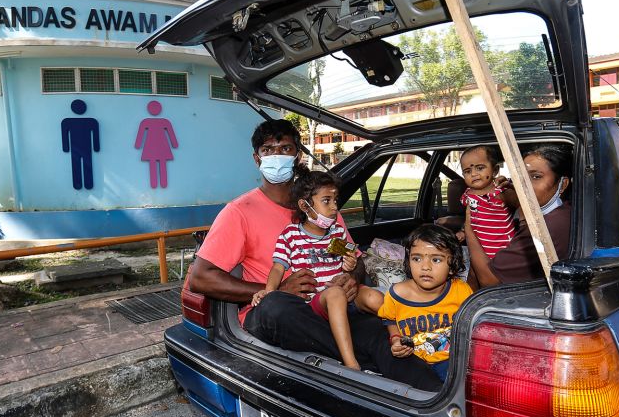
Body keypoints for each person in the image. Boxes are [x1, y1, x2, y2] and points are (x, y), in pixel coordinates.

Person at [189, 119, 442, 391]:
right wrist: (276, 289)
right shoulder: (239, 212)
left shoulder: (323, 209)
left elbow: (354, 258)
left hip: (330, 307)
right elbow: (201, 278)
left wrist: (351, 277)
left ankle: (439, 399)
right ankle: (358, 359)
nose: (276, 156)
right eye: (268, 150)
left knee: (382, 337)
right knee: (277, 307)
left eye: (285, 148)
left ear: (297, 155)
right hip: (276, 314)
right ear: (256, 159)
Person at [252, 169, 365, 370]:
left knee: (376, 297)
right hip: (318, 301)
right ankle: (351, 364)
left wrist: (350, 266)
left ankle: (402, 338)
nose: (334, 207)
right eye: (327, 201)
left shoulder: (337, 232)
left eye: (335, 200)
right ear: (304, 206)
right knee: (335, 294)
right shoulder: (291, 235)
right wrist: (269, 292)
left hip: (344, 296)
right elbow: (278, 268)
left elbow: (351, 259)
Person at [363, 225, 473, 381]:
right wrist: (395, 339)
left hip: (451, 360)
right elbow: (390, 319)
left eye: (436, 260)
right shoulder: (396, 294)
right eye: (417, 259)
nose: (425, 267)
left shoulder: (461, 291)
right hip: (413, 361)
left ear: (452, 265)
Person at [465, 144, 572, 286]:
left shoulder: (546, 229)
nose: (524, 186)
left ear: (563, 184)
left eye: (536, 177)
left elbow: (489, 280)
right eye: (520, 177)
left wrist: (469, 229)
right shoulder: (563, 212)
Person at [459, 145, 514, 260]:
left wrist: (511, 186)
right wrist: (463, 231)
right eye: (467, 171)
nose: (473, 174)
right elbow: (472, 218)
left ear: (495, 171)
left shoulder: (501, 191)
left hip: (504, 254)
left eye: (480, 168)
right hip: (478, 254)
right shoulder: (467, 195)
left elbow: (524, 205)